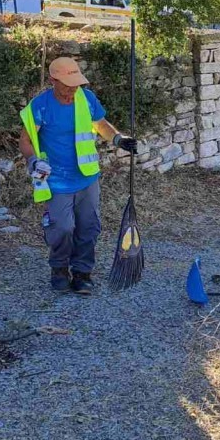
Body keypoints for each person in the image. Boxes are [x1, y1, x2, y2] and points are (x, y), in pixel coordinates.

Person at [19, 57, 138, 293]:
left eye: (76, 83)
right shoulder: (40, 106)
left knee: (89, 227)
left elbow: (101, 124)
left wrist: (118, 139)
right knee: (62, 228)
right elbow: (26, 140)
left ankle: (83, 273)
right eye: (67, 84)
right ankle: (59, 269)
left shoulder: (87, 98)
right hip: (56, 180)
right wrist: (33, 160)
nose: (73, 89)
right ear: (53, 80)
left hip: (87, 177)